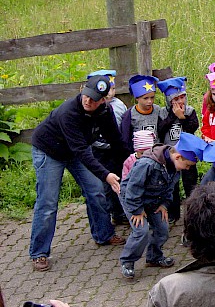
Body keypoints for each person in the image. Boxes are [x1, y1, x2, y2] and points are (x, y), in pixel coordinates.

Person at [29, 75, 126, 272]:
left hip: (74, 151)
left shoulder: (105, 112)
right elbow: (82, 151)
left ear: (103, 100)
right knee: (48, 203)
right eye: (86, 95)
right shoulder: (69, 112)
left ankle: (103, 234)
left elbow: (116, 141)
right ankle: (39, 252)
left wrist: (130, 163)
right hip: (49, 151)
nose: (88, 101)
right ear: (82, 90)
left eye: (94, 99)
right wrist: (106, 175)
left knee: (96, 191)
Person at [119, 133, 206, 279]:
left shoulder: (174, 167)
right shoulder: (147, 164)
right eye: (187, 165)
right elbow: (133, 188)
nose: (187, 169)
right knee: (141, 231)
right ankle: (127, 261)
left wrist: (164, 204)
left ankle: (154, 257)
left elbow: (169, 188)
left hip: (154, 201)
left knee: (162, 229)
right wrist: (137, 211)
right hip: (133, 200)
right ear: (178, 157)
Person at [87, 70, 129, 225]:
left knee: (121, 179)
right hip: (99, 151)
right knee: (106, 183)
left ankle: (123, 211)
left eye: (113, 88)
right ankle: (113, 212)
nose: (110, 93)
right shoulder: (92, 107)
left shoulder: (119, 105)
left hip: (116, 150)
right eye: (107, 90)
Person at [157, 76, 199, 221]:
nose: (180, 101)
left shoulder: (190, 111)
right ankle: (173, 213)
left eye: (182, 97)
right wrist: (172, 117)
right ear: (169, 100)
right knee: (172, 185)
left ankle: (193, 212)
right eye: (176, 99)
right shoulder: (162, 113)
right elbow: (160, 131)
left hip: (187, 154)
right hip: (170, 154)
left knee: (190, 183)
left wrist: (182, 118)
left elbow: (192, 128)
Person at [120, 75, 163, 153]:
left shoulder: (158, 110)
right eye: (145, 98)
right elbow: (125, 139)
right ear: (137, 98)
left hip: (156, 152)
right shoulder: (129, 115)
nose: (150, 101)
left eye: (152, 97)